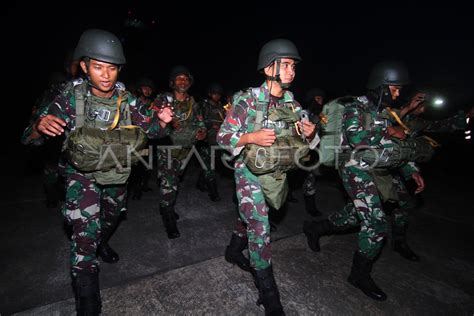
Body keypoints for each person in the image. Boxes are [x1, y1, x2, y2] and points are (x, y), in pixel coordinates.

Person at [25, 29, 173, 315]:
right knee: (84, 236)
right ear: (84, 66)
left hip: (116, 172)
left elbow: (150, 131)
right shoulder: (70, 97)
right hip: (81, 177)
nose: (106, 75)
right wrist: (39, 127)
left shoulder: (126, 99)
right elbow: (28, 137)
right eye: (98, 67)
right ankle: (88, 302)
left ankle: (101, 241)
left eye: (112, 68)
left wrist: (162, 122)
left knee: (113, 215)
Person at [303, 61, 433, 301]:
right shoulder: (356, 107)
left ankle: (316, 227)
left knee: (355, 215)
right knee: (375, 223)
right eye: (393, 88)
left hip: (376, 167)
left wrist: (410, 170)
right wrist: (388, 131)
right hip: (353, 166)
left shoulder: (385, 111)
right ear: (380, 86)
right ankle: (359, 275)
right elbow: (355, 137)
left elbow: (393, 147)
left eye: (398, 89)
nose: (397, 93)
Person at [218, 38, 317, 315]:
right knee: (261, 229)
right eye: (285, 65)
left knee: (250, 217)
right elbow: (223, 137)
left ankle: (233, 250)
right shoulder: (246, 99)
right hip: (248, 171)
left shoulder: (293, 104)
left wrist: (310, 135)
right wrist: (251, 136)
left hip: (276, 172)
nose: (291, 71)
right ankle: (269, 294)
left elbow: (304, 145)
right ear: (267, 68)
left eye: (293, 66)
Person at [154, 65, 207, 239]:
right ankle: (169, 219)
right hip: (168, 149)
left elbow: (200, 123)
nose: (182, 81)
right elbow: (151, 119)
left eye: (185, 78)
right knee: (169, 185)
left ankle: (166, 206)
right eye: (179, 78)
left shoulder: (194, 103)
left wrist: (201, 132)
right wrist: (165, 121)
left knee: (175, 181)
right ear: (172, 82)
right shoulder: (163, 99)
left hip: (186, 150)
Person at [195, 82, 225, 201]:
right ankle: (214, 193)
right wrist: (212, 125)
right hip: (206, 141)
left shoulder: (221, 107)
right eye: (214, 94)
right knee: (209, 168)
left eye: (218, 94)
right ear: (209, 94)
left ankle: (200, 183)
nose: (216, 96)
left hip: (217, 141)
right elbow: (199, 122)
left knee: (208, 166)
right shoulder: (204, 106)